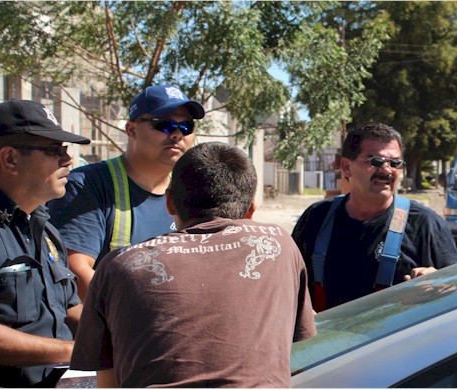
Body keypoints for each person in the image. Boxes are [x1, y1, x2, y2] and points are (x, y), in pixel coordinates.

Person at [70, 142, 317, 387]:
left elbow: (108, 381)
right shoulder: (279, 244)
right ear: (251, 208)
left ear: (169, 202)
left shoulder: (120, 265)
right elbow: (294, 347)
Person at [48, 84, 205, 301]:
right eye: (164, 125)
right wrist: (140, 317)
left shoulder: (191, 189)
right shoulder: (88, 185)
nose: (177, 134)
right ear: (131, 130)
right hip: (116, 327)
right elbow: (74, 270)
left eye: (186, 126)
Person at [0, 100, 91, 387]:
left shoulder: (46, 228)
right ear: (10, 159)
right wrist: (75, 352)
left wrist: (122, 334)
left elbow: (68, 308)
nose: (69, 161)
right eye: (55, 151)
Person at [292, 122, 457, 311]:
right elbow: (287, 285)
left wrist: (438, 283)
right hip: (328, 337)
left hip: (393, 339)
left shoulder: (425, 224)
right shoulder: (316, 218)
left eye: (395, 163)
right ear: (347, 167)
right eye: (376, 161)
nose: (387, 170)